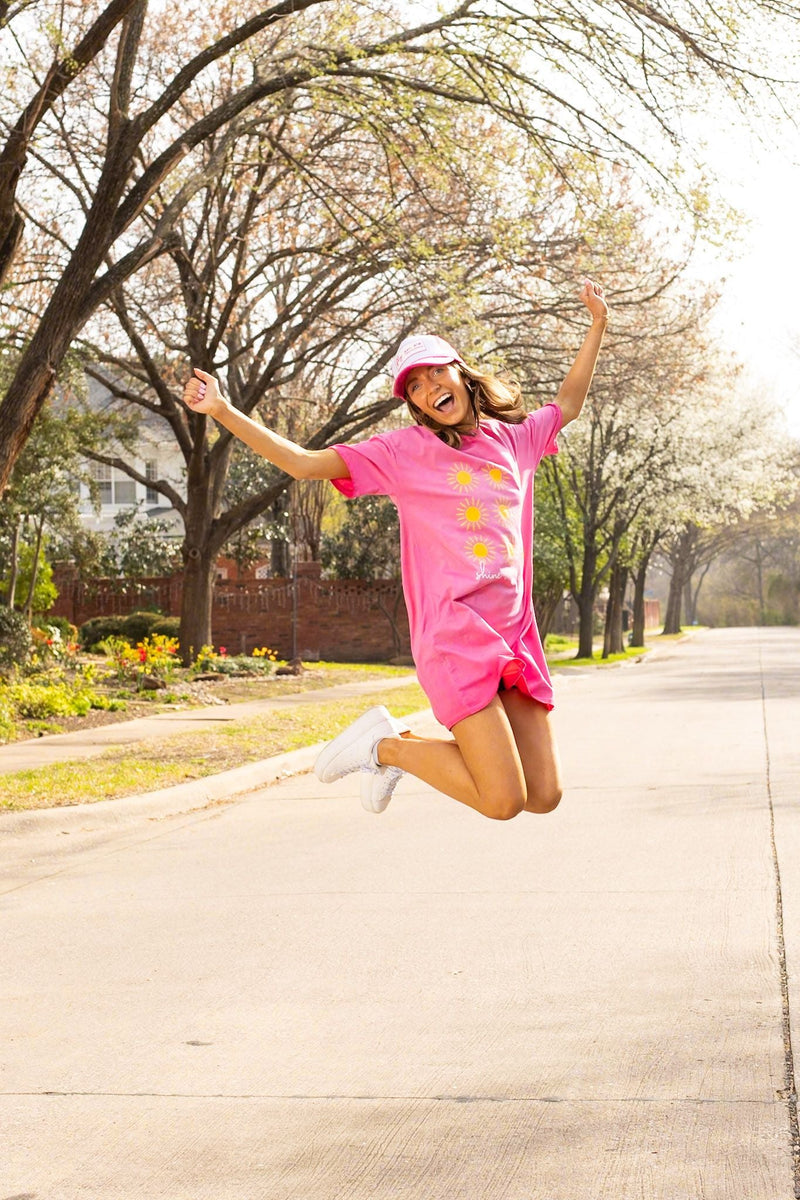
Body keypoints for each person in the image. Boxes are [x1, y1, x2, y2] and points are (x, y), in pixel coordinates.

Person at [182, 279, 608, 821]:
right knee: (503, 800)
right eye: (416, 387)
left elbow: (567, 403)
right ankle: (385, 747)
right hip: (455, 637)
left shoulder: (513, 440)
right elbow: (305, 463)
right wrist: (222, 410)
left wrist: (597, 324)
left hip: (514, 634)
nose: (430, 387)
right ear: (414, 405)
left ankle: (391, 748)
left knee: (545, 795)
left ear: (460, 373)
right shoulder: (404, 453)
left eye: (436, 372)